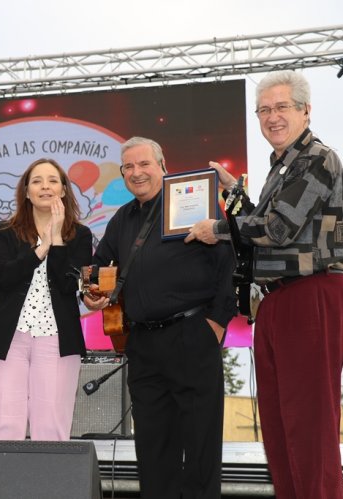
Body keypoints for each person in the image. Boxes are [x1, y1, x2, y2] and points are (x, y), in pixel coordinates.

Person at [186, 70, 343, 499]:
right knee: (279, 427)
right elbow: (267, 222)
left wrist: (218, 229)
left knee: (309, 426)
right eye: (264, 109)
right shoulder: (282, 166)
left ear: (305, 110)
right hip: (276, 300)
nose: (272, 117)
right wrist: (234, 195)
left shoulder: (317, 157)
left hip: (311, 294)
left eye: (282, 107)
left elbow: (278, 229)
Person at [84, 137, 235, 499]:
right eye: (128, 167)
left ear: (163, 165)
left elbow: (228, 263)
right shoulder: (122, 219)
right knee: (153, 452)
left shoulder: (193, 202)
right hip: (143, 347)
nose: (136, 173)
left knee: (200, 451)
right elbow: (101, 269)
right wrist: (91, 294)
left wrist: (214, 324)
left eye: (144, 164)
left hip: (192, 336)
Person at [0, 158, 92, 441]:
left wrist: (59, 240)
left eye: (52, 180)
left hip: (57, 337)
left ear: (63, 190)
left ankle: (49, 485)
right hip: (8, 337)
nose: (45, 187)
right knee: (4, 424)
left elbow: (67, 285)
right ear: (26, 192)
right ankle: (2, 485)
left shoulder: (80, 235)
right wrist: (42, 248)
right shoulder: (5, 232)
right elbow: (3, 276)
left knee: (51, 425)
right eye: (37, 181)